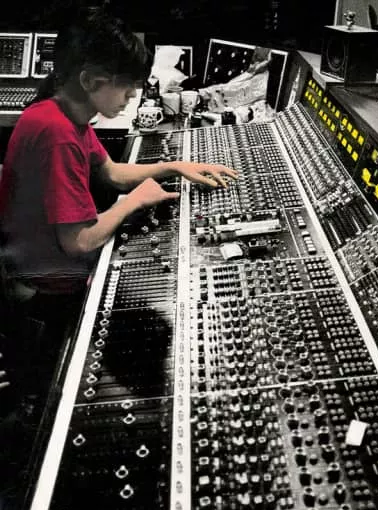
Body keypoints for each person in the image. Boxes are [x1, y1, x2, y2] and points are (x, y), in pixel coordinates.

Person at [0, 8, 237, 395]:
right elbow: (78, 241)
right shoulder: (57, 133)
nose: (131, 97)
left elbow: (110, 172)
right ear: (91, 81)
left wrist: (173, 166)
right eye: (126, 88)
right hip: (45, 291)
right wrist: (132, 203)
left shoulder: (63, 112)